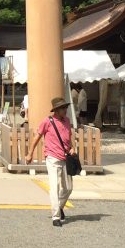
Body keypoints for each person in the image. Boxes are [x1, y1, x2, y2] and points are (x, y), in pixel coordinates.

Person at [25, 96, 76, 227]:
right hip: (52, 158)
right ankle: (56, 216)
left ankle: (59, 206)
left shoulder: (67, 121)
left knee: (68, 188)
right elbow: (37, 137)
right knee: (55, 187)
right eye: (63, 108)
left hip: (65, 158)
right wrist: (30, 153)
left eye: (66, 108)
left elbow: (68, 139)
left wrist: (72, 148)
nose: (65, 110)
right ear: (56, 110)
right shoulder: (47, 121)